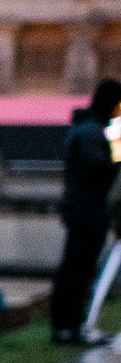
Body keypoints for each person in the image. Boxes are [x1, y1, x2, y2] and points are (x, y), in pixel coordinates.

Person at [51, 78, 120, 343]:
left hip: (83, 209)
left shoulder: (88, 128)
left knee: (76, 268)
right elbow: (100, 168)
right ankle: (70, 326)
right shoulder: (94, 132)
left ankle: (68, 325)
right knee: (78, 270)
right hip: (87, 211)